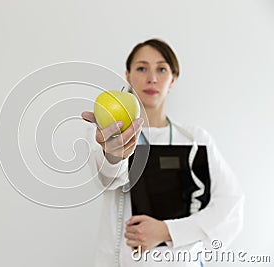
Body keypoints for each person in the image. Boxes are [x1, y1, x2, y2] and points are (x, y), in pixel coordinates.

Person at [82, 39, 244, 267]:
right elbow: (106, 179)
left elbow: (231, 204)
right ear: (127, 76)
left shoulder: (195, 139)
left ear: (173, 79)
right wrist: (113, 156)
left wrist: (168, 230)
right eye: (141, 68)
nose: (152, 78)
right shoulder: (109, 134)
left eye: (161, 68)